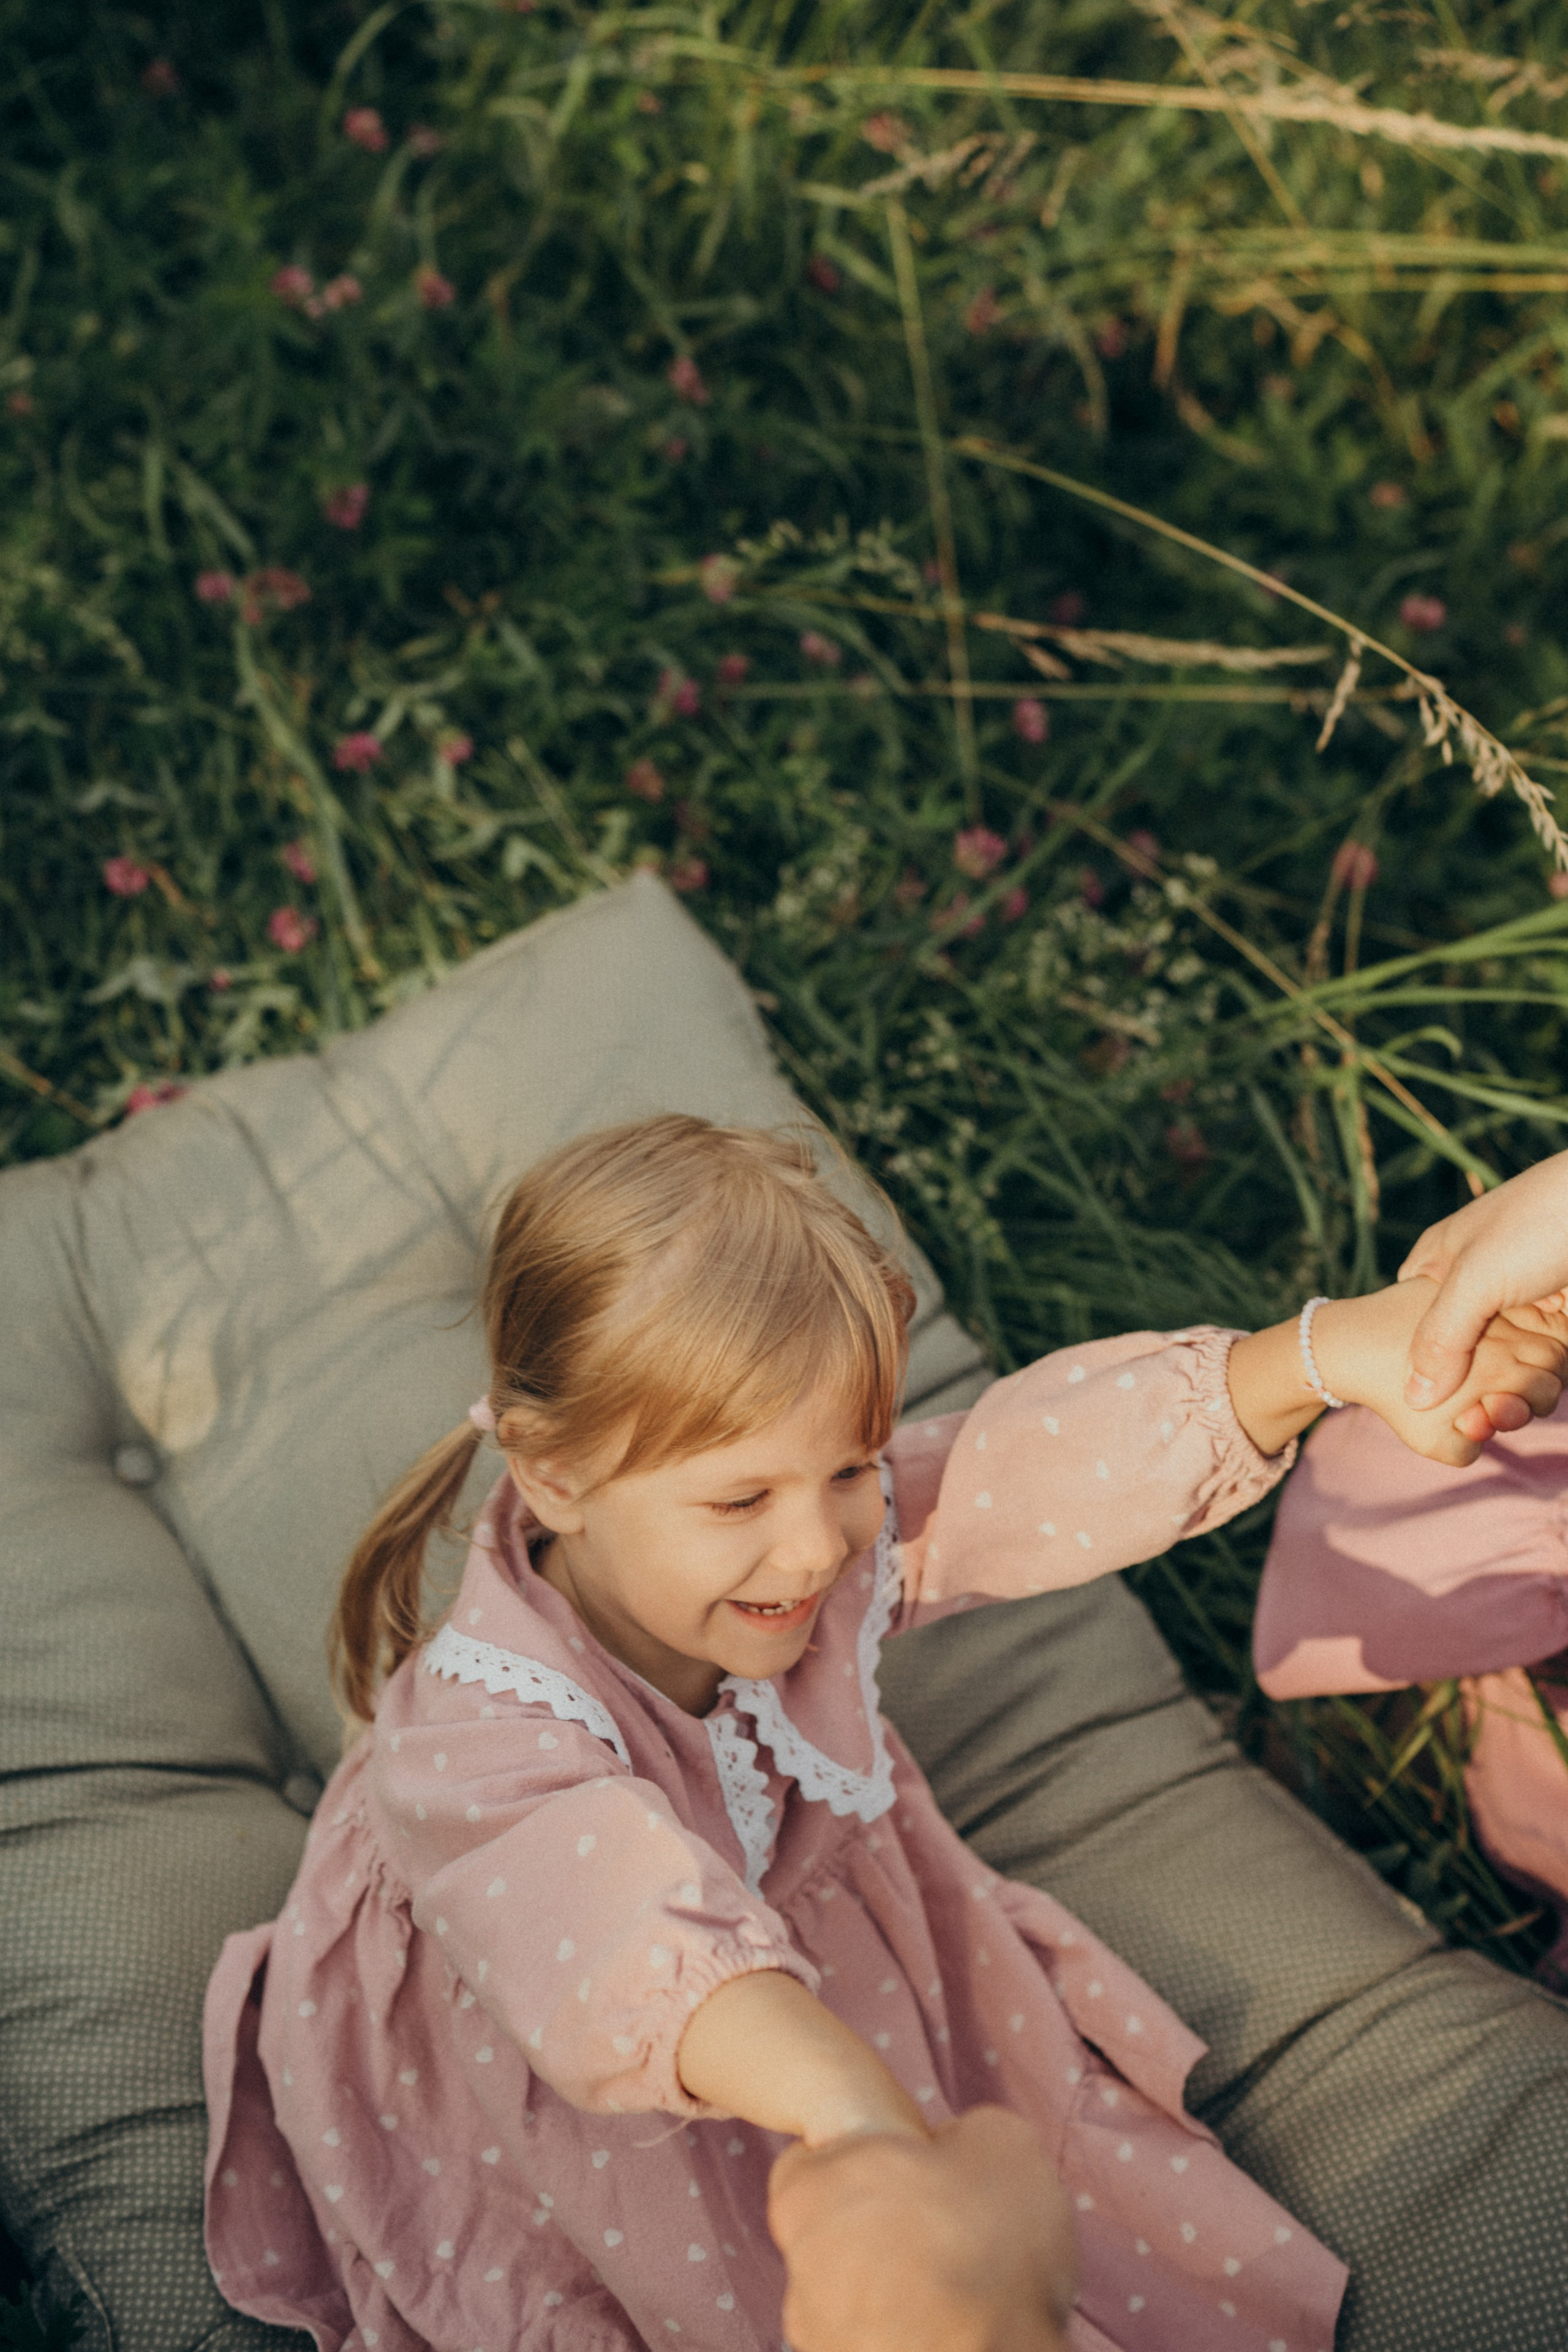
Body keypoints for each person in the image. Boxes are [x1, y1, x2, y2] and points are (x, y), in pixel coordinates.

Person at [200, 1117, 1568, 2352]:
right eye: (739, 1501)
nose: (813, 1548)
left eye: (847, 1468)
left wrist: (1329, 1355)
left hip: (789, 1985)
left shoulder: (807, 1536)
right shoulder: (475, 1744)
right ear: (553, 1475)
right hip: (614, 2036)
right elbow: (613, 1935)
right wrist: (864, 2128)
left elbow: (1025, 1469)